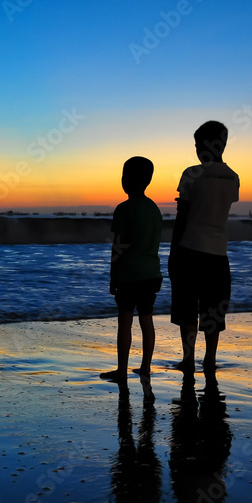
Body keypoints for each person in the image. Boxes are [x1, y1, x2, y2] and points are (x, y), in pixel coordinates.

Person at [169, 121, 240, 378]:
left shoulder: (191, 174)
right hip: (218, 254)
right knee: (213, 309)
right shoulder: (233, 177)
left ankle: (188, 359)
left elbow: (183, 215)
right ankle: (210, 359)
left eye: (198, 144)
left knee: (187, 307)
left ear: (208, 145)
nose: (197, 149)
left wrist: (172, 251)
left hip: (189, 249)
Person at [100, 156, 163, 382]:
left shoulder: (123, 209)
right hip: (151, 274)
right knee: (147, 320)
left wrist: (113, 277)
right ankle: (145, 366)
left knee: (125, 320)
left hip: (128, 274)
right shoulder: (154, 209)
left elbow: (118, 248)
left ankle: (121, 370)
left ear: (126, 180)